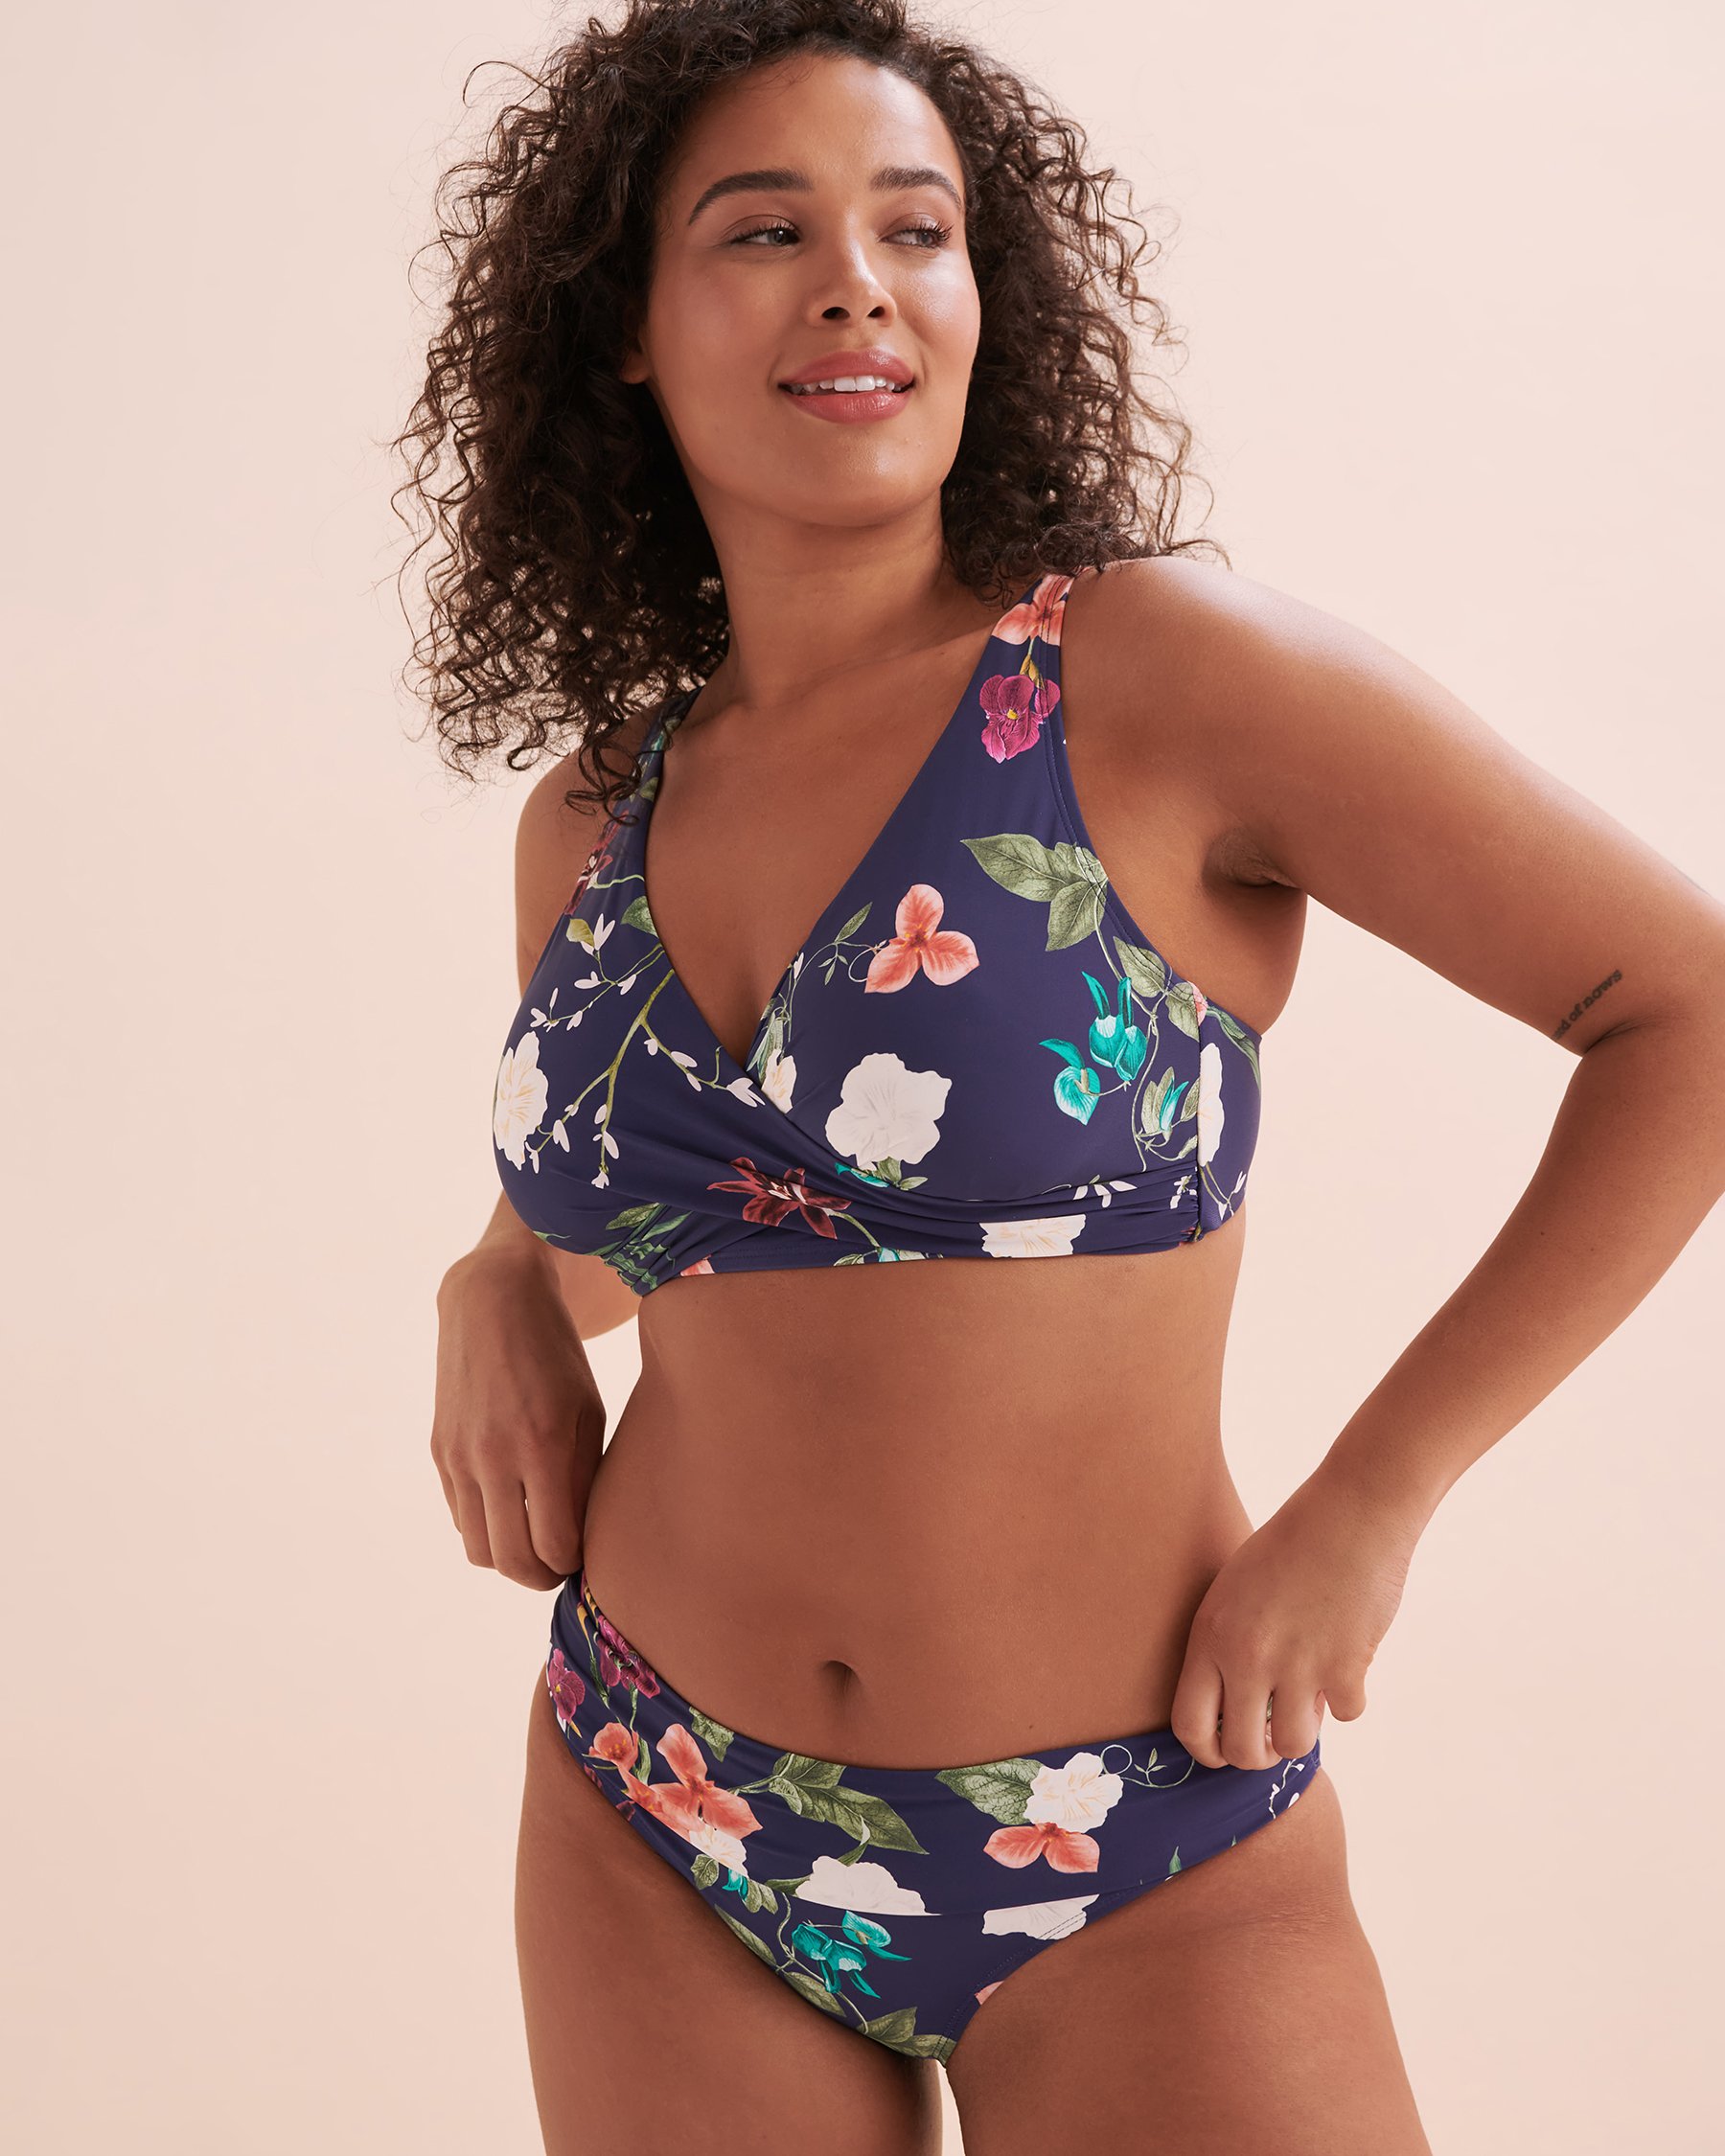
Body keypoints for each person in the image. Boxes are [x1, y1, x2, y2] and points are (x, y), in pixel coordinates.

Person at [402, 4, 1725, 2149]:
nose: (857, 283)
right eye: (765, 231)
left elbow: (1688, 1008)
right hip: (660, 1797)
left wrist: (1372, 1503)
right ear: (624, 328)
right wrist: (494, 1277)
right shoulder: (597, 815)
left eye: (914, 229)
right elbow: (677, 1211)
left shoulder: (1149, 681)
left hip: (1140, 1827)